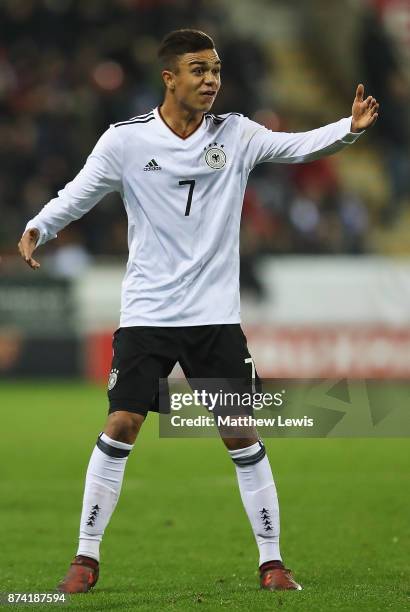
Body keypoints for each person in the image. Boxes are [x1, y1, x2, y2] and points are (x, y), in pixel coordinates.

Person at [18, 29, 379, 594]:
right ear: (170, 77)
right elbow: (81, 191)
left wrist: (347, 131)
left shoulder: (237, 134)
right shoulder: (125, 141)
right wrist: (40, 224)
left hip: (213, 315)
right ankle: (85, 559)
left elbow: (298, 146)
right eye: (198, 70)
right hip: (148, 312)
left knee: (240, 432)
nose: (211, 80)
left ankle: (272, 563)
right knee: (122, 423)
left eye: (215, 70)